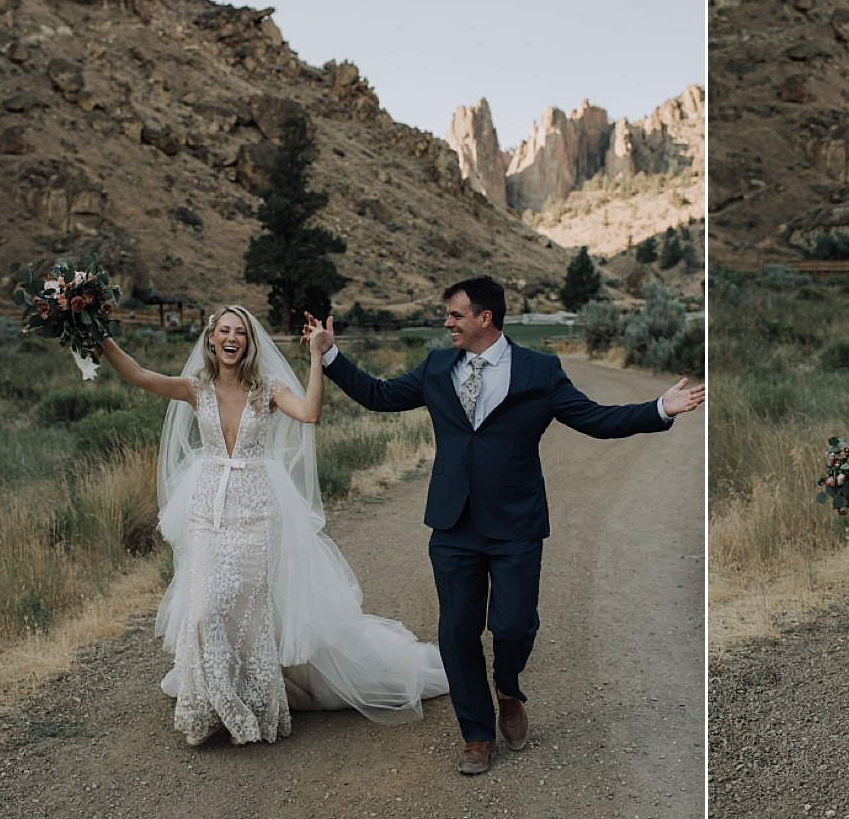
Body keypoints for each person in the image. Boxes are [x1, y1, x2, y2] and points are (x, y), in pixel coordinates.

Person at [304, 275, 705, 776]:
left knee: (514, 625)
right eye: (447, 315)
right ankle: (476, 734)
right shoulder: (436, 366)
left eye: (455, 314)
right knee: (457, 631)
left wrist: (658, 409)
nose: (446, 322)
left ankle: (509, 689)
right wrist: (331, 355)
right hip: (453, 523)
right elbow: (380, 395)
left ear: (484, 318)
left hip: (516, 521)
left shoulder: (540, 370)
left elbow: (594, 418)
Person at [99, 306, 446, 747]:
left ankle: (256, 702)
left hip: (257, 510)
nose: (231, 338)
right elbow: (142, 375)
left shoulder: (268, 390)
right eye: (223, 330)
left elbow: (310, 412)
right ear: (210, 339)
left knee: (248, 610)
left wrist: (318, 357)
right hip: (208, 508)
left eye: (240, 332)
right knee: (205, 607)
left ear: (249, 342)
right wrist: (103, 341)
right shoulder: (196, 388)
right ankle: (211, 702)